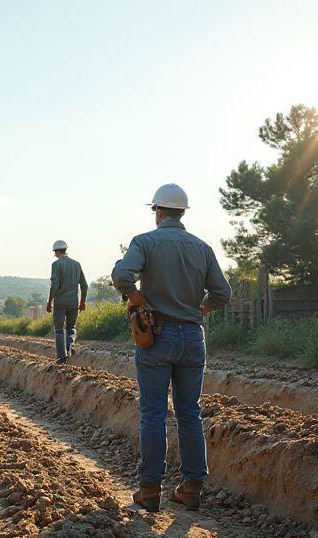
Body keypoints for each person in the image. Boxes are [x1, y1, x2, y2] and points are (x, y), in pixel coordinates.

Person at [111, 183, 232, 513]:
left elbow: (122, 276)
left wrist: (136, 297)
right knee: (189, 412)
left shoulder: (145, 242)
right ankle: (191, 489)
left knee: (153, 413)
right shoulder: (202, 248)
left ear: (158, 212)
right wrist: (201, 309)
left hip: (157, 336)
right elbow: (223, 294)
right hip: (192, 337)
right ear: (182, 213)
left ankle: (150, 490)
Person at [46, 240, 88, 364]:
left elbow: (55, 284)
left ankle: (61, 357)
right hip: (74, 302)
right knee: (71, 328)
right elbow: (84, 285)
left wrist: (49, 301)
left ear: (56, 251)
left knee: (59, 330)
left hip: (60, 302)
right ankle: (71, 345)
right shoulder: (76, 264)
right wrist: (83, 302)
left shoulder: (56, 264)